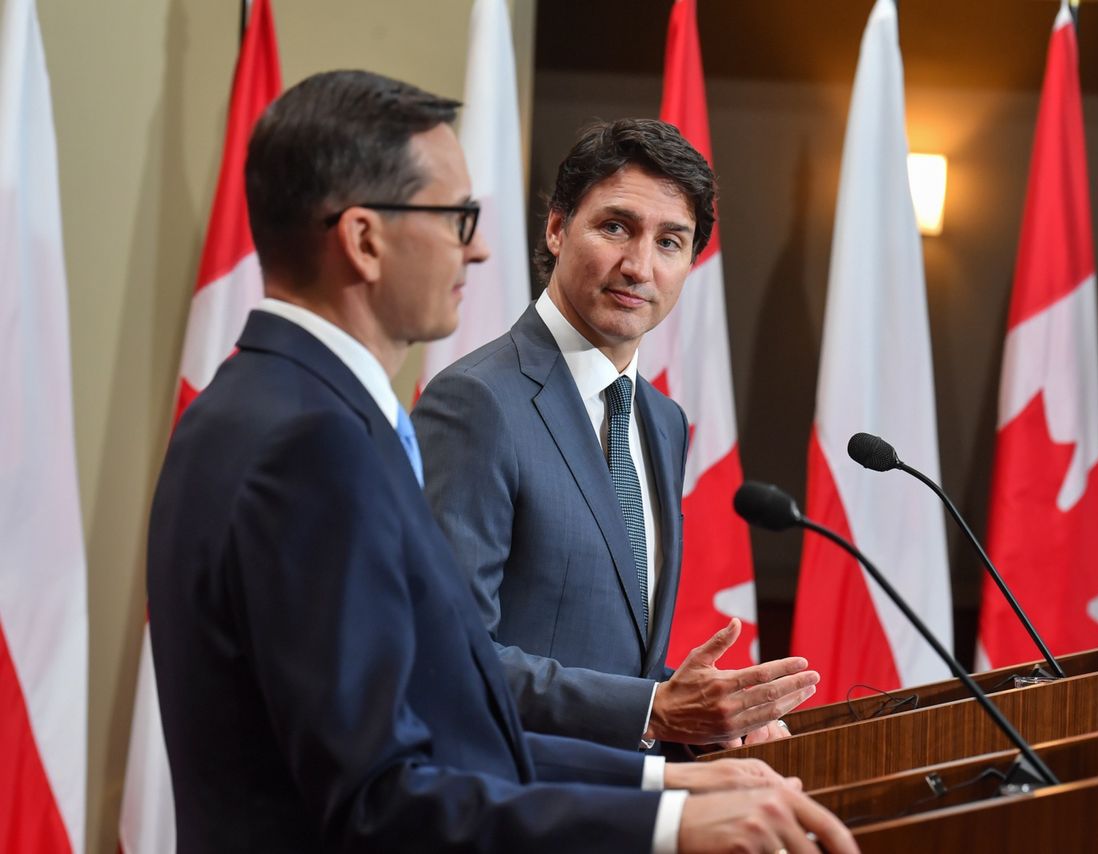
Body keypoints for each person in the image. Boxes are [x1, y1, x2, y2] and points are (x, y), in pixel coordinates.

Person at [146, 70, 855, 853]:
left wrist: (664, 774)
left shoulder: (258, 405)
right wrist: (666, 816)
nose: (479, 246)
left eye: (671, 241)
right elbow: (386, 786)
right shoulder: (317, 440)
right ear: (363, 238)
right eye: (455, 217)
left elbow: (439, 718)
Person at [414, 119, 815, 752]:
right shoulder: (478, 401)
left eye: (670, 242)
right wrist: (655, 710)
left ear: (690, 263)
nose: (639, 267)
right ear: (556, 228)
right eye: (615, 227)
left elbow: (613, 659)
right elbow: (446, 654)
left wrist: (712, 718)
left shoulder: (662, 421)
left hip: (620, 806)